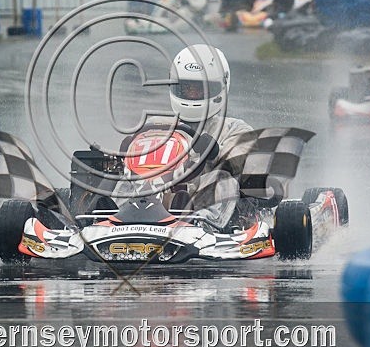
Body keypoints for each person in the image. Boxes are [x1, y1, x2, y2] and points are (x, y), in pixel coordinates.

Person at [114, 44, 266, 231]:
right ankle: (112, 217)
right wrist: (129, 151)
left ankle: (203, 224)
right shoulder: (156, 123)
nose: (192, 95)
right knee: (123, 176)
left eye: (200, 89)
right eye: (187, 89)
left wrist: (213, 151)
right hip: (156, 194)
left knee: (222, 178)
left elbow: (239, 161)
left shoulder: (234, 128)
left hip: (202, 201)